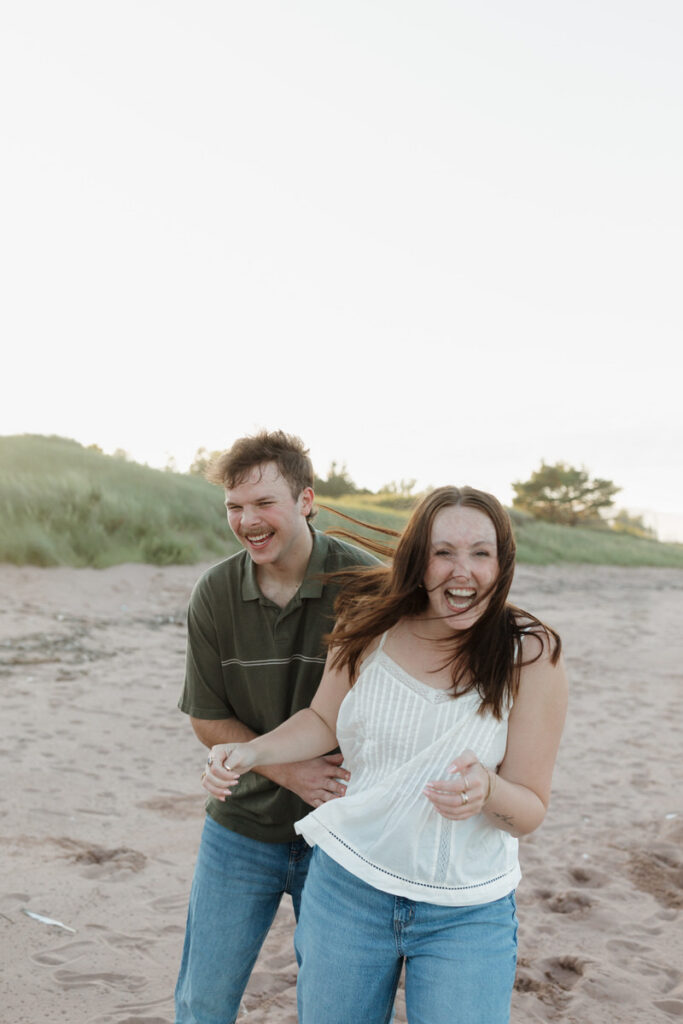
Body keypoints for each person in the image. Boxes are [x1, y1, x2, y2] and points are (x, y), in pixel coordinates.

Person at [203, 485, 569, 1024]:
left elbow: (530, 810)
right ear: (419, 559)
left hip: (467, 912)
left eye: (480, 553)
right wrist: (251, 751)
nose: (461, 571)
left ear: (503, 561)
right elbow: (322, 721)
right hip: (348, 889)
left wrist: (488, 791)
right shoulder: (369, 624)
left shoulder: (530, 655)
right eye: (443, 552)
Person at [174, 430, 379, 1024]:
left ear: (306, 501)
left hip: (342, 833)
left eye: (264, 503)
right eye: (235, 507)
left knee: (336, 1009)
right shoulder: (214, 593)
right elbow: (207, 718)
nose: (247, 520)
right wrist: (285, 768)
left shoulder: (366, 584)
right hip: (240, 830)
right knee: (202, 1001)